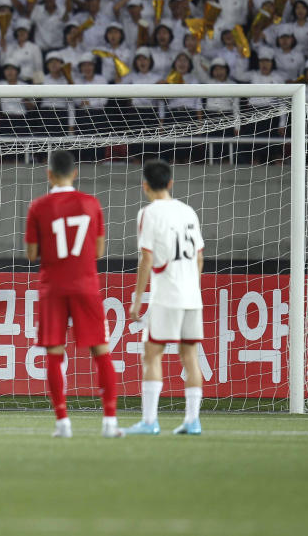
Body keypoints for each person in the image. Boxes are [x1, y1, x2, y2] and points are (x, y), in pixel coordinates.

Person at [24, 150, 123, 439]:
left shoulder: (38, 207)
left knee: (55, 353)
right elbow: (100, 251)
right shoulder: (91, 204)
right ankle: (109, 423)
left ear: (49, 174)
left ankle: (63, 423)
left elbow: (31, 254)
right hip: (85, 286)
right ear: (75, 173)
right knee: (101, 352)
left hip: (53, 287)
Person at [126, 159, 205, 436]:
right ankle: (193, 421)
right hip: (192, 297)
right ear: (170, 182)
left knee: (152, 354)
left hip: (166, 296)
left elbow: (146, 257)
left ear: (144, 185)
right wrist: (192, 287)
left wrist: (137, 300)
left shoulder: (149, 213)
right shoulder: (188, 212)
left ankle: (149, 421)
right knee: (190, 356)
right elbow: (199, 257)